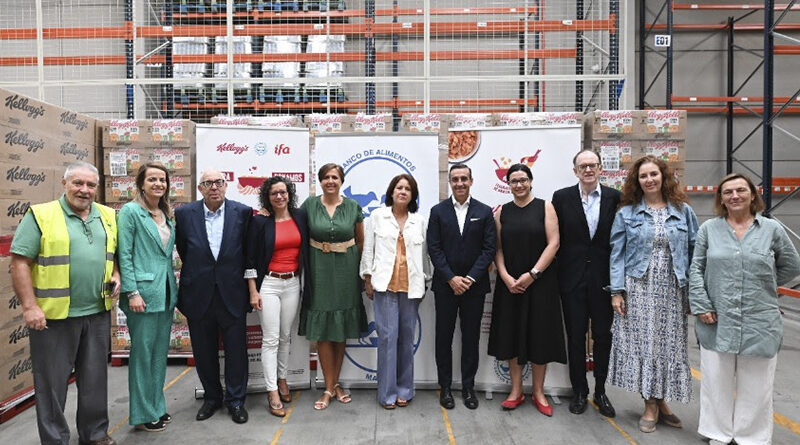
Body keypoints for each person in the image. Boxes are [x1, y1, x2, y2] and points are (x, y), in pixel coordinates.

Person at [10, 161, 119, 445]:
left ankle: (94, 434)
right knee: (52, 385)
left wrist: (116, 274)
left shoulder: (108, 216)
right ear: (65, 184)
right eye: (78, 183)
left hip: (97, 312)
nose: (84, 190)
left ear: (97, 188)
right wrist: (30, 306)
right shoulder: (42, 215)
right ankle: (55, 439)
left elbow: (114, 254)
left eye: (91, 185)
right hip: (54, 317)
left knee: (95, 381)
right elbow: (20, 262)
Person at [689, 173, 800, 445]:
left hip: (759, 319)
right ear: (721, 199)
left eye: (740, 190)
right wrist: (702, 304)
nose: (734, 196)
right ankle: (718, 432)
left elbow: (792, 265)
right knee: (716, 380)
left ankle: (752, 436)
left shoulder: (771, 230)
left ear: (753, 195)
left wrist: (767, 287)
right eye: (728, 192)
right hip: (716, 316)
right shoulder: (709, 230)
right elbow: (696, 269)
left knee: (758, 382)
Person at [607, 155, 698, 433]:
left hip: (673, 289)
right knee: (644, 345)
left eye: (653, 174)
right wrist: (617, 291)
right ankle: (649, 403)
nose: (649, 180)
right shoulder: (627, 213)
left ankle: (662, 400)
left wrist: (694, 293)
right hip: (639, 288)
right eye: (643, 176)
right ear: (637, 181)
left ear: (663, 177)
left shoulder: (683, 211)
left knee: (669, 346)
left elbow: (696, 252)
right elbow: (617, 254)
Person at [175, 169, 252, 424]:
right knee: (204, 351)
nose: (214, 187)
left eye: (218, 182)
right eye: (208, 183)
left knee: (236, 352)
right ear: (200, 188)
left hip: (232, 293)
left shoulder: (242, 212)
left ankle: (236, 401)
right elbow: (185, 250)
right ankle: (211, 398)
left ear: (226, 185)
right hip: (199, 293)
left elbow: (248, 251)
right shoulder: (185, 214)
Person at [488, 163, 566, 416]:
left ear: (531, 181)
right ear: (508, 184)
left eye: (523, 180)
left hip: (540, 283)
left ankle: (539, 392)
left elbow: (554, 243)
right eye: (514, 181)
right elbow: (497, 249)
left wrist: (533, 274)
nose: (519, 185)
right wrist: (506, 277)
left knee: (539, 336)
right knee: (511, 336)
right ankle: (516, 390)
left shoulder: (545, 207)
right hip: (510, 285)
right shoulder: (502, 213)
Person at [551, 150, 620, 418]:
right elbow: (556, 238)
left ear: (601, 168)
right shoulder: (562, 197)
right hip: (572, 279)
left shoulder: (615, 198)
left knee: (603, 337)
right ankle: (579, 391)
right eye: (583, 166)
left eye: (592, 165)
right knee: (576, 337)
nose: (588, 170)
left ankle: (601, 391)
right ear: (575, 171)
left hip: (604, 281)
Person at [298, 163, 368, 410]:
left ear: (342, 181)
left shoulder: (352, 207)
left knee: (340, 328)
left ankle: (331, 385)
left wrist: (361, 275)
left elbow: (360, 241)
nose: (330, 181)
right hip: (319, 270)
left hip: (347, 271)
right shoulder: (308, 205)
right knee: (325, 330)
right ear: (320, 181)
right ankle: (331, 387)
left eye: (335, 177)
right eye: (326, 177)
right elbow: (290, 223)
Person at [427, 164, 496, 410]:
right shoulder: (437, 211)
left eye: (463, 179)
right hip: (446, 287)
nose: (459, 183)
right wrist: (451, 278)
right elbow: (433, 248)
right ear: (450, 182)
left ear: (471, 180)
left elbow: (489, 249)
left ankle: (468, 387)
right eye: (455, 179)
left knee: (470, 339)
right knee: (443, 339)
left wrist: (470, 278)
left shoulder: (484, 211)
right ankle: (444, 387)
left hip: (474, 288)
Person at [360, 174, 432, 409]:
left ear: (412, 195)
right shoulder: (377, 217)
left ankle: (404, 390)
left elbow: (424, 256)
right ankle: (387, 393)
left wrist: (425, 279)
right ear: (391, 192)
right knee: (388, 339)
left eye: (408, 189)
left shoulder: (419, 221)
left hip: (411, 288)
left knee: (406, 340)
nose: (403, 191)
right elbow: (368, 249)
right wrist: (367, 279)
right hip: (385, 286)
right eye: (399, 187)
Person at [117, 163, 179, 432]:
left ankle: (157, 406)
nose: (158, 184)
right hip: (141, 295)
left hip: (164, 293)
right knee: (142, 356)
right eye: (152, 179)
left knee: (158, 355)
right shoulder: (131, 212)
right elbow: (125, 255)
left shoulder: (165, 212)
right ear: (140, 183)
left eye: (162, 180)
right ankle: (143, 413)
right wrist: (132, 292)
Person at [244, 176, 311, 418]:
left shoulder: (300, 217)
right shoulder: (261, 222)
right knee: (271, 339)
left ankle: (283, 379)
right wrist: (253, 290)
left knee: (285, 337)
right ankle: (272, 390)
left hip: (293, 283)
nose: (280, 197)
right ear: (267, 197)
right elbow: (249, 259)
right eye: (274, 193)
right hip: (268, 285)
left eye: (283, 192)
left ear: (289, 194)